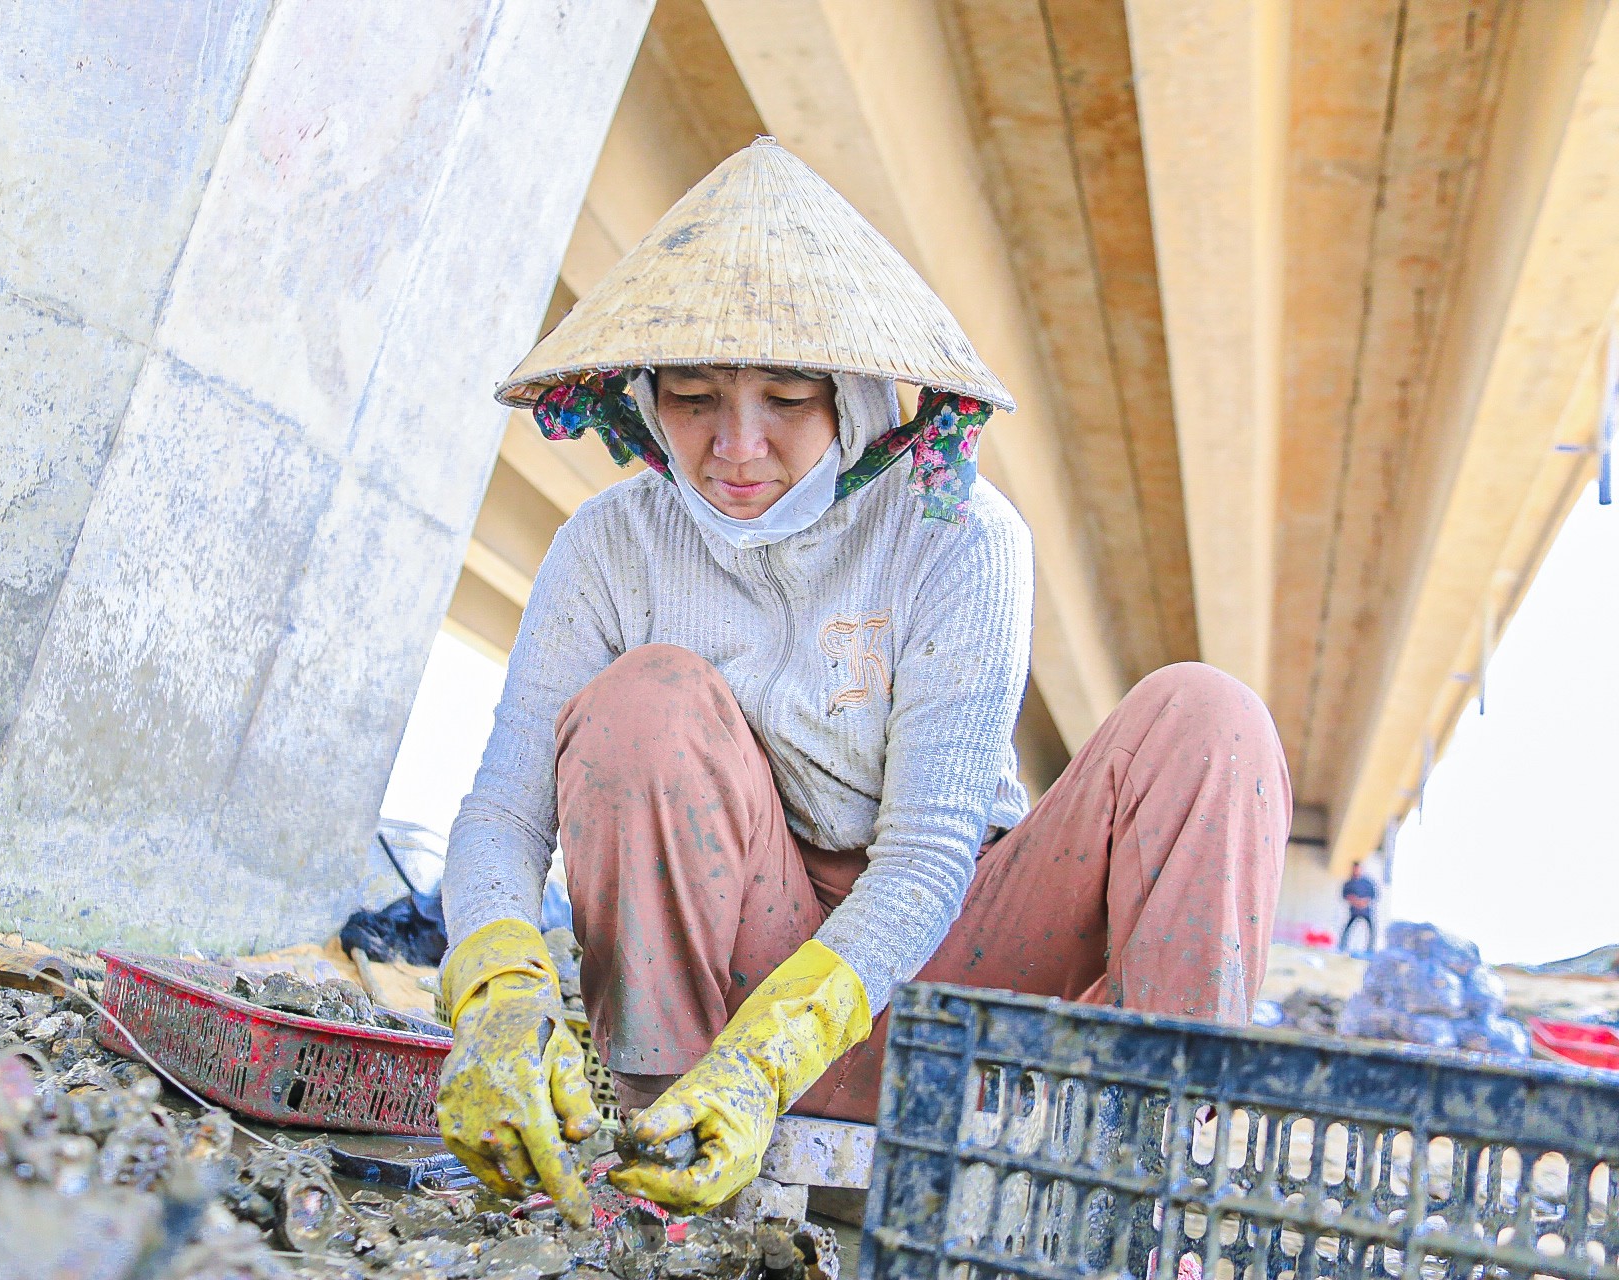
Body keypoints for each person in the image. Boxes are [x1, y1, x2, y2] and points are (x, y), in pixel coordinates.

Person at [435, 139, 1291, 1222]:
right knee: (642, 702)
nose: (735, 447)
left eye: (786, 398)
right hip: (723, 1002)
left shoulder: (957, 533)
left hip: (945, 992)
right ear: (644, 399)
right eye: (692, 396)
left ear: (857, 395)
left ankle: (1158, 1186)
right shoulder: (611, 547)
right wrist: (501, 994)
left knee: (1210, 720)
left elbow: (929, 859)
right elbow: (502, 808)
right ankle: (669, 1164)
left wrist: (776, 1052)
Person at [1340, 860, 1379, 952]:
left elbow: (1373, 895)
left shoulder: (1367, 883)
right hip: (1354, 911)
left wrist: (1363, 901)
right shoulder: (1349, 883)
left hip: (1366, 911)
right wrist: (1354, 901)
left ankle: (1369, 950)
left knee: (1372, 931)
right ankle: (1342, 947)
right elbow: (1345, 895)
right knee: (1347, 930)